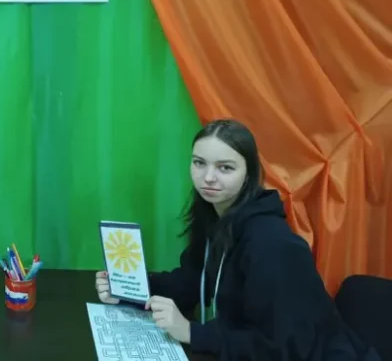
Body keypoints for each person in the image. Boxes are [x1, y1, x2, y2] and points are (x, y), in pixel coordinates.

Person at [95, 119, 379, 360]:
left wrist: (192, 332)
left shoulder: (272, 245)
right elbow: (193, 281)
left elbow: (282, 348)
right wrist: (131, 288)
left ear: (248, 174)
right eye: (199, 163)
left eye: (225, 168)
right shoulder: (215, 215)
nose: (208, 177)